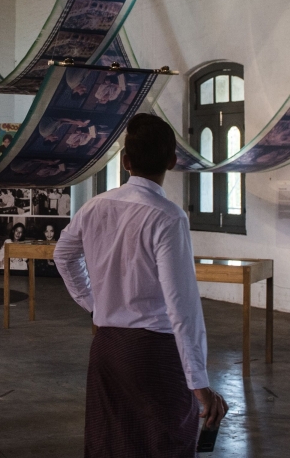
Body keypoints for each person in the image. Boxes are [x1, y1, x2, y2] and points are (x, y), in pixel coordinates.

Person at [54, 113, 228, 457]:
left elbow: (63, 255)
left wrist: (93, 303)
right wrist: (199, 382)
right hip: (155, 354)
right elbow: (181, 305)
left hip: (107, 348)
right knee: (164, 443)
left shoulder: (95, 207)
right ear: (172, 161)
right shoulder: (168, 216)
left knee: (111, 443)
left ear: (125, 161)